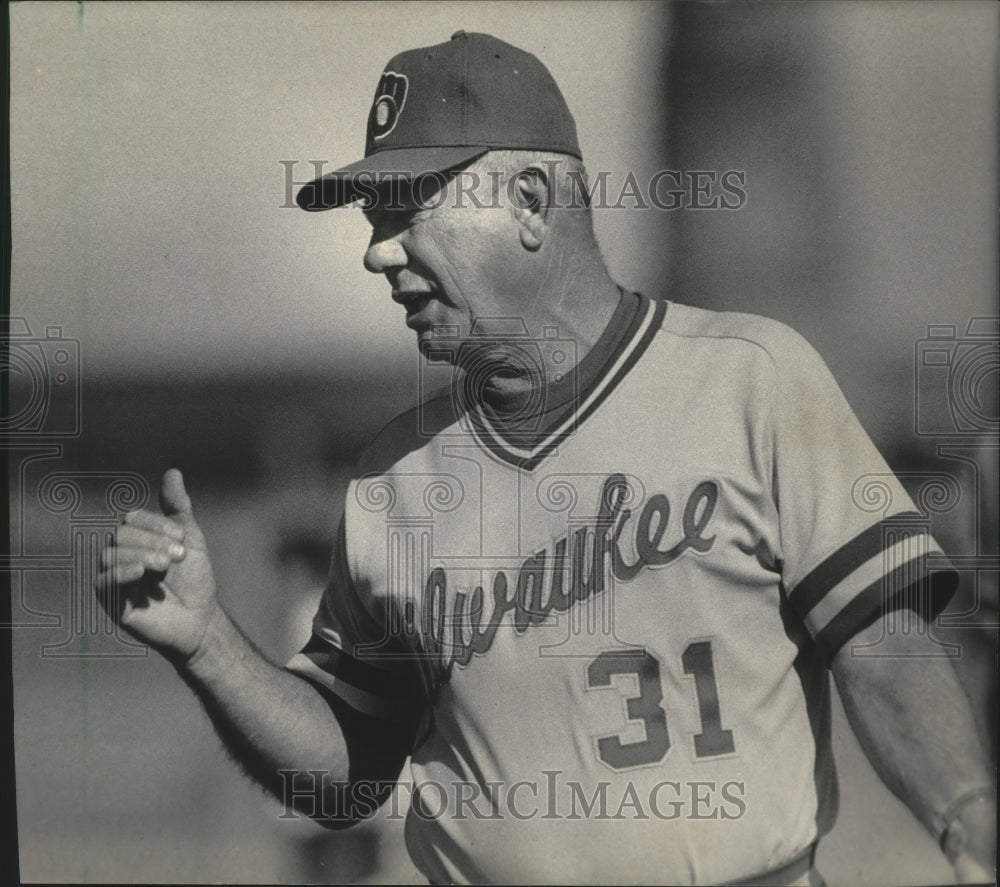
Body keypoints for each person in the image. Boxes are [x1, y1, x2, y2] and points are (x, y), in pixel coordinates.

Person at [98, 32, 995, 886]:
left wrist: (968, 816)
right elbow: (347, 769)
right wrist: (209, 645)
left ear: (529, 201)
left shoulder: (752, 380)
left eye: (407, 208)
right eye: (374, 218)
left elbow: (882, 644)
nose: (376, 252)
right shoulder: (392, 479)